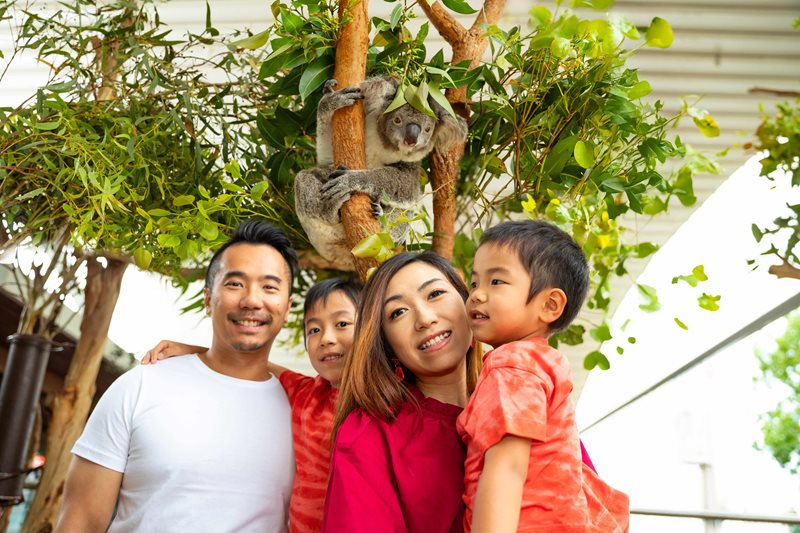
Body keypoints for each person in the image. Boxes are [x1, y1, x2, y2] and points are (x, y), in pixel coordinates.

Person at [55, 220, 298, 532]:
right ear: (209, 299)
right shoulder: (141, 386)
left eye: (270, 287)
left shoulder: (303, 411)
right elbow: (81, 521)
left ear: (287, 307)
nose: (252, 300)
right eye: (235, 283)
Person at [142, 278, 362, 533]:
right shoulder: (307, 394)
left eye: (342, 324)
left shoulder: (386, 401)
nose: (326, 338)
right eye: (313, 330)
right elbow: (258, 364)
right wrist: (195, 350)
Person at [458, 220, 630, 532]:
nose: (477, 295)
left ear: (550, 305)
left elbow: (507, 468)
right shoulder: (539, 364)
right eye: (474, 283)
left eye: (496, 282)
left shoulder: (513, 366)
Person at [322, 252, 481, 533]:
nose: (425, 318)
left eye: (435, 293)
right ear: (387, 346)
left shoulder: (523, 398)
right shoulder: (369, 434)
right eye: (398, 312)